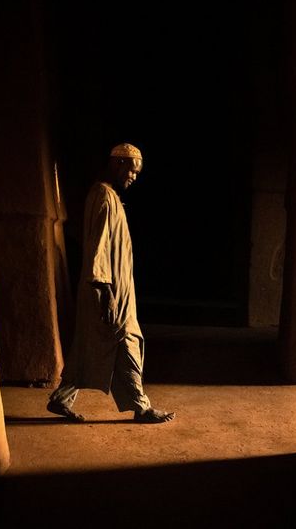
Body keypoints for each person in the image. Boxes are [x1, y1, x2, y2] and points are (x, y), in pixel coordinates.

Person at [47, 143, 176, 424]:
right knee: (128, 341)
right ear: (117, 164)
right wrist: (105, 290)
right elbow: (98, 247)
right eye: (131, 171)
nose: (134, 177)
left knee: (88, 345)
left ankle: (61, 399)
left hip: (109, 288)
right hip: (106, 289)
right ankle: (141, 408)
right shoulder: (104, 197)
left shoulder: (108, 196)